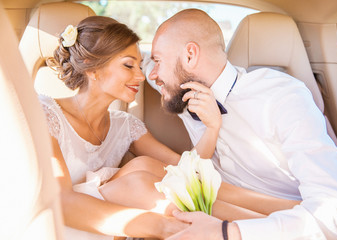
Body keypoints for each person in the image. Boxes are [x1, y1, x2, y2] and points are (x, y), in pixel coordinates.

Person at [41, 15, 298, 240]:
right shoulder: (45, 114)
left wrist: (212, 127)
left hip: (119, 226)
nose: (142, 77)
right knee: (140, 178)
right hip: (70, 226)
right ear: (93, 70)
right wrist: (164, 227)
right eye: (128, 65)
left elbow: (188, 170)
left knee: (155, 169)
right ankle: (280, 228)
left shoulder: (127, 126)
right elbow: (61, 202)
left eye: (141, 66)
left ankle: (293, 210)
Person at [146, 9, 337, 239]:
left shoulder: (283, 98)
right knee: (140, 172)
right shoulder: (182, 89)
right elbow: (144, 67)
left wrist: (228, 232)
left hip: (281, 229)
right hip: (217, 210)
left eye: (157, 61)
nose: (154, 74)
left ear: (190, 56)